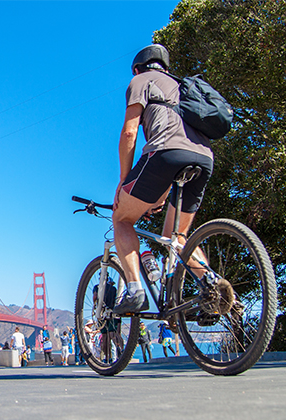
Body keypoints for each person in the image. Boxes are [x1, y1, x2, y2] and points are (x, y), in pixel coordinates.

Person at [112, 44, 213, 314]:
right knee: (177, 238)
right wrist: (158, 194)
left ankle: (134, 290)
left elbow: (130, 133)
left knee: (122, 219)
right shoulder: (181, 86)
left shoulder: (140, 80)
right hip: (204, 158)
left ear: (137, 68)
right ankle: (213, 285)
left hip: (166, 152)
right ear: (165, 68)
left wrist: (124, 183)